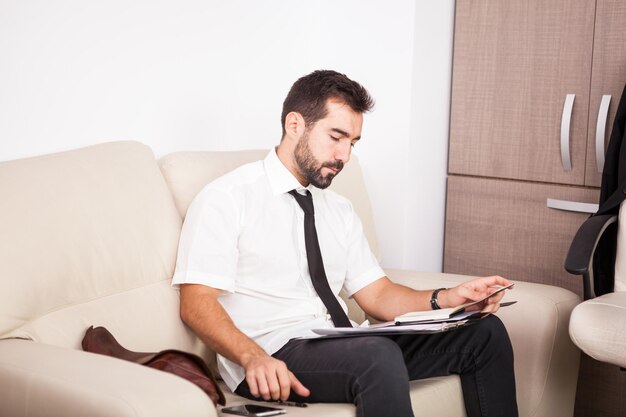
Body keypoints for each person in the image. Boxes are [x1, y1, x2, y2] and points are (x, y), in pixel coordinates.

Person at [172, 70, 518, 417]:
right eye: (336, 137)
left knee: (484, 332)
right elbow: (196, 302)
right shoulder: (228, 198)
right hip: (274, 351)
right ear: (295, 125)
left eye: (352, 142)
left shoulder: (337, 208)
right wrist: (252, 356)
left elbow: (379, 296)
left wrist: (450, 299)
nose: (345, 156)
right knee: (375, 356)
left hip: (345, 343)